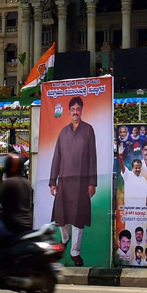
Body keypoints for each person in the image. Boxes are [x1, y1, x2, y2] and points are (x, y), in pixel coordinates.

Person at [49, 96, 97, 267]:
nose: (76, 112)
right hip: (64, 181)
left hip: (82, 183)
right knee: (63, 216)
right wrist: (52, 181)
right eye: (73, 109)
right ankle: (64, 239)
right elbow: (56, 158)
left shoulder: (88, 130)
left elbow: (92, 158)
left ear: (81, 111)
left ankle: (75, 251)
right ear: (69, 112)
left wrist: (92, 182)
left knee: (78, 218)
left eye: (78, 109)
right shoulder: (63, 132)